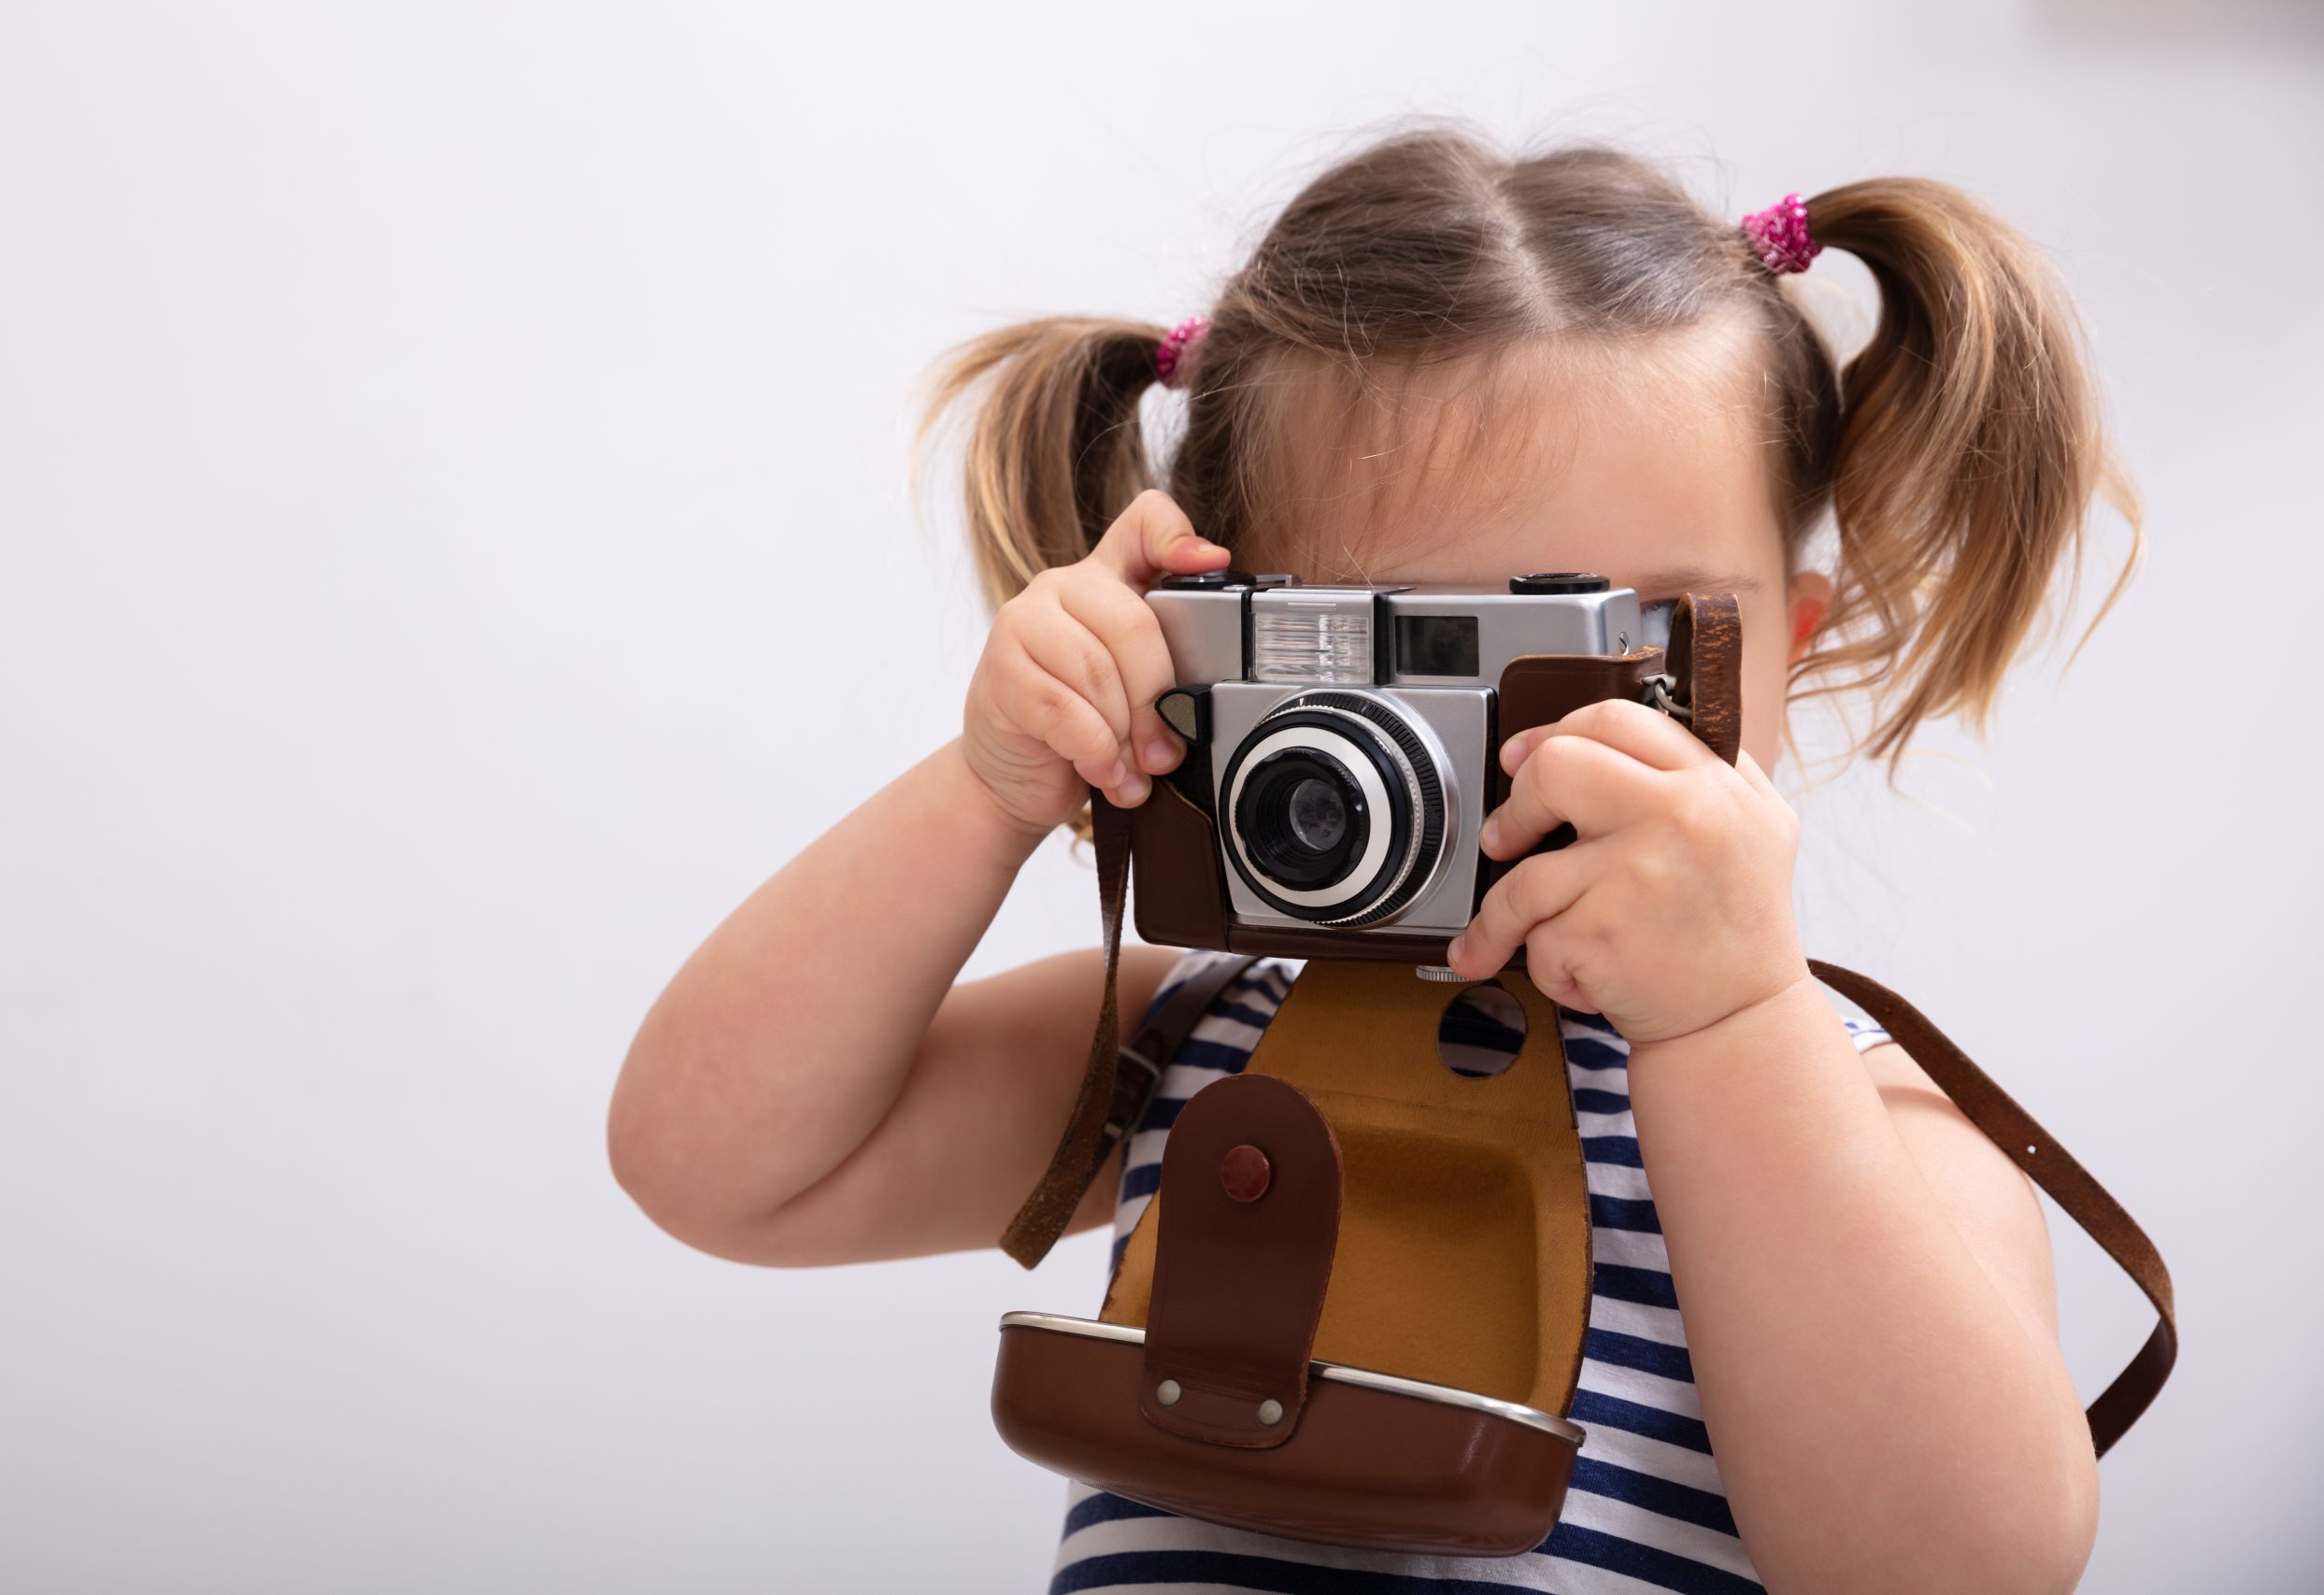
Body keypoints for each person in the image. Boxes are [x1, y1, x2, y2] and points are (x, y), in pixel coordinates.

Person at [606, 123, 2142, 1595]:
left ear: (1782, 664)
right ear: (1217, 647)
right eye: (1413, 651)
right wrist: (990, 786)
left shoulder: (1870, 1119)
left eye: (1628, 650)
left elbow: (1961, 1573)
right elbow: (718, 1169)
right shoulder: (1182, 1039)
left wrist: (1730, 1019)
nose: (1520, 754)